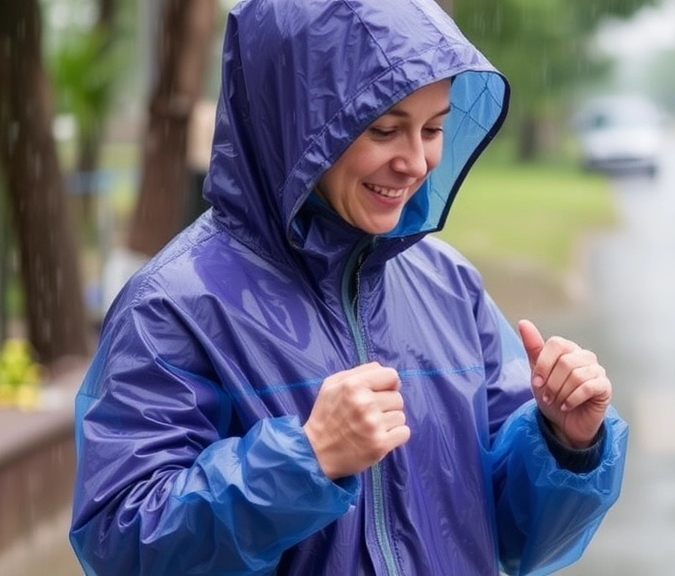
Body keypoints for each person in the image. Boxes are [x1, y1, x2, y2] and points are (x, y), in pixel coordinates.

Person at [69, 0, 628, 574]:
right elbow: (122, 540)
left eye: (434, 128)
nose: (415, 162)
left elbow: (514, 532)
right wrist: (304, 460)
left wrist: (565, 443)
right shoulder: (174, 306)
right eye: (385, 129)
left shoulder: (449, 287)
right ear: (296, 125)